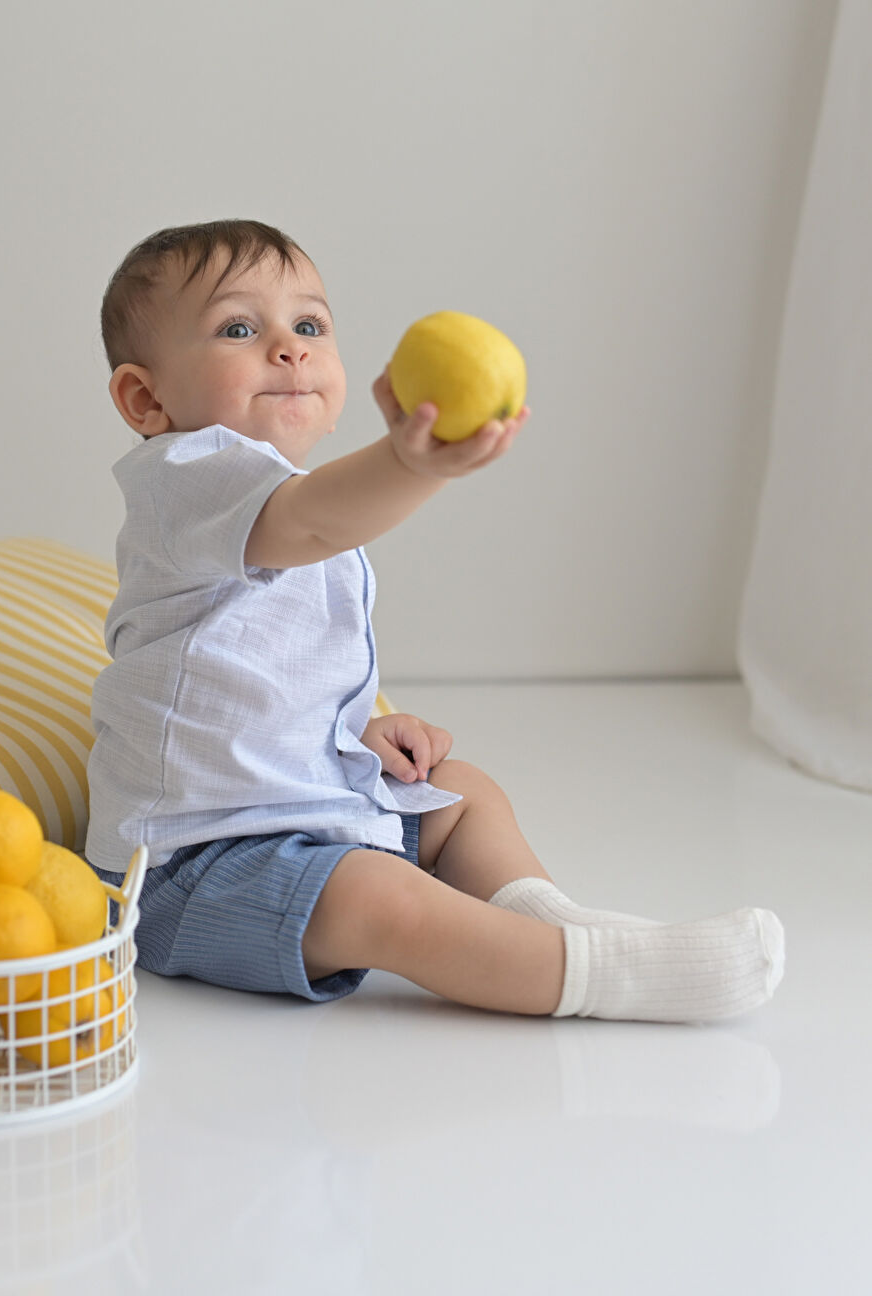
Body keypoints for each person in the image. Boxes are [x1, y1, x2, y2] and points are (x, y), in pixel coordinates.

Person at [85, 218, 785, 1022]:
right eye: (240, 328)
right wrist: (410, 461)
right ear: (147, 398)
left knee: (460, 791)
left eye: (309, 325)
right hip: (188, 865)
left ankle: (545, 917)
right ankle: (599, 974)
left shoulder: (278, 502)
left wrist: (352, 738)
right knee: (383, 899)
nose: (289, 347)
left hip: (305, 809)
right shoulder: (187, 476)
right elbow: (313, 522)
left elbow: (269, 673)